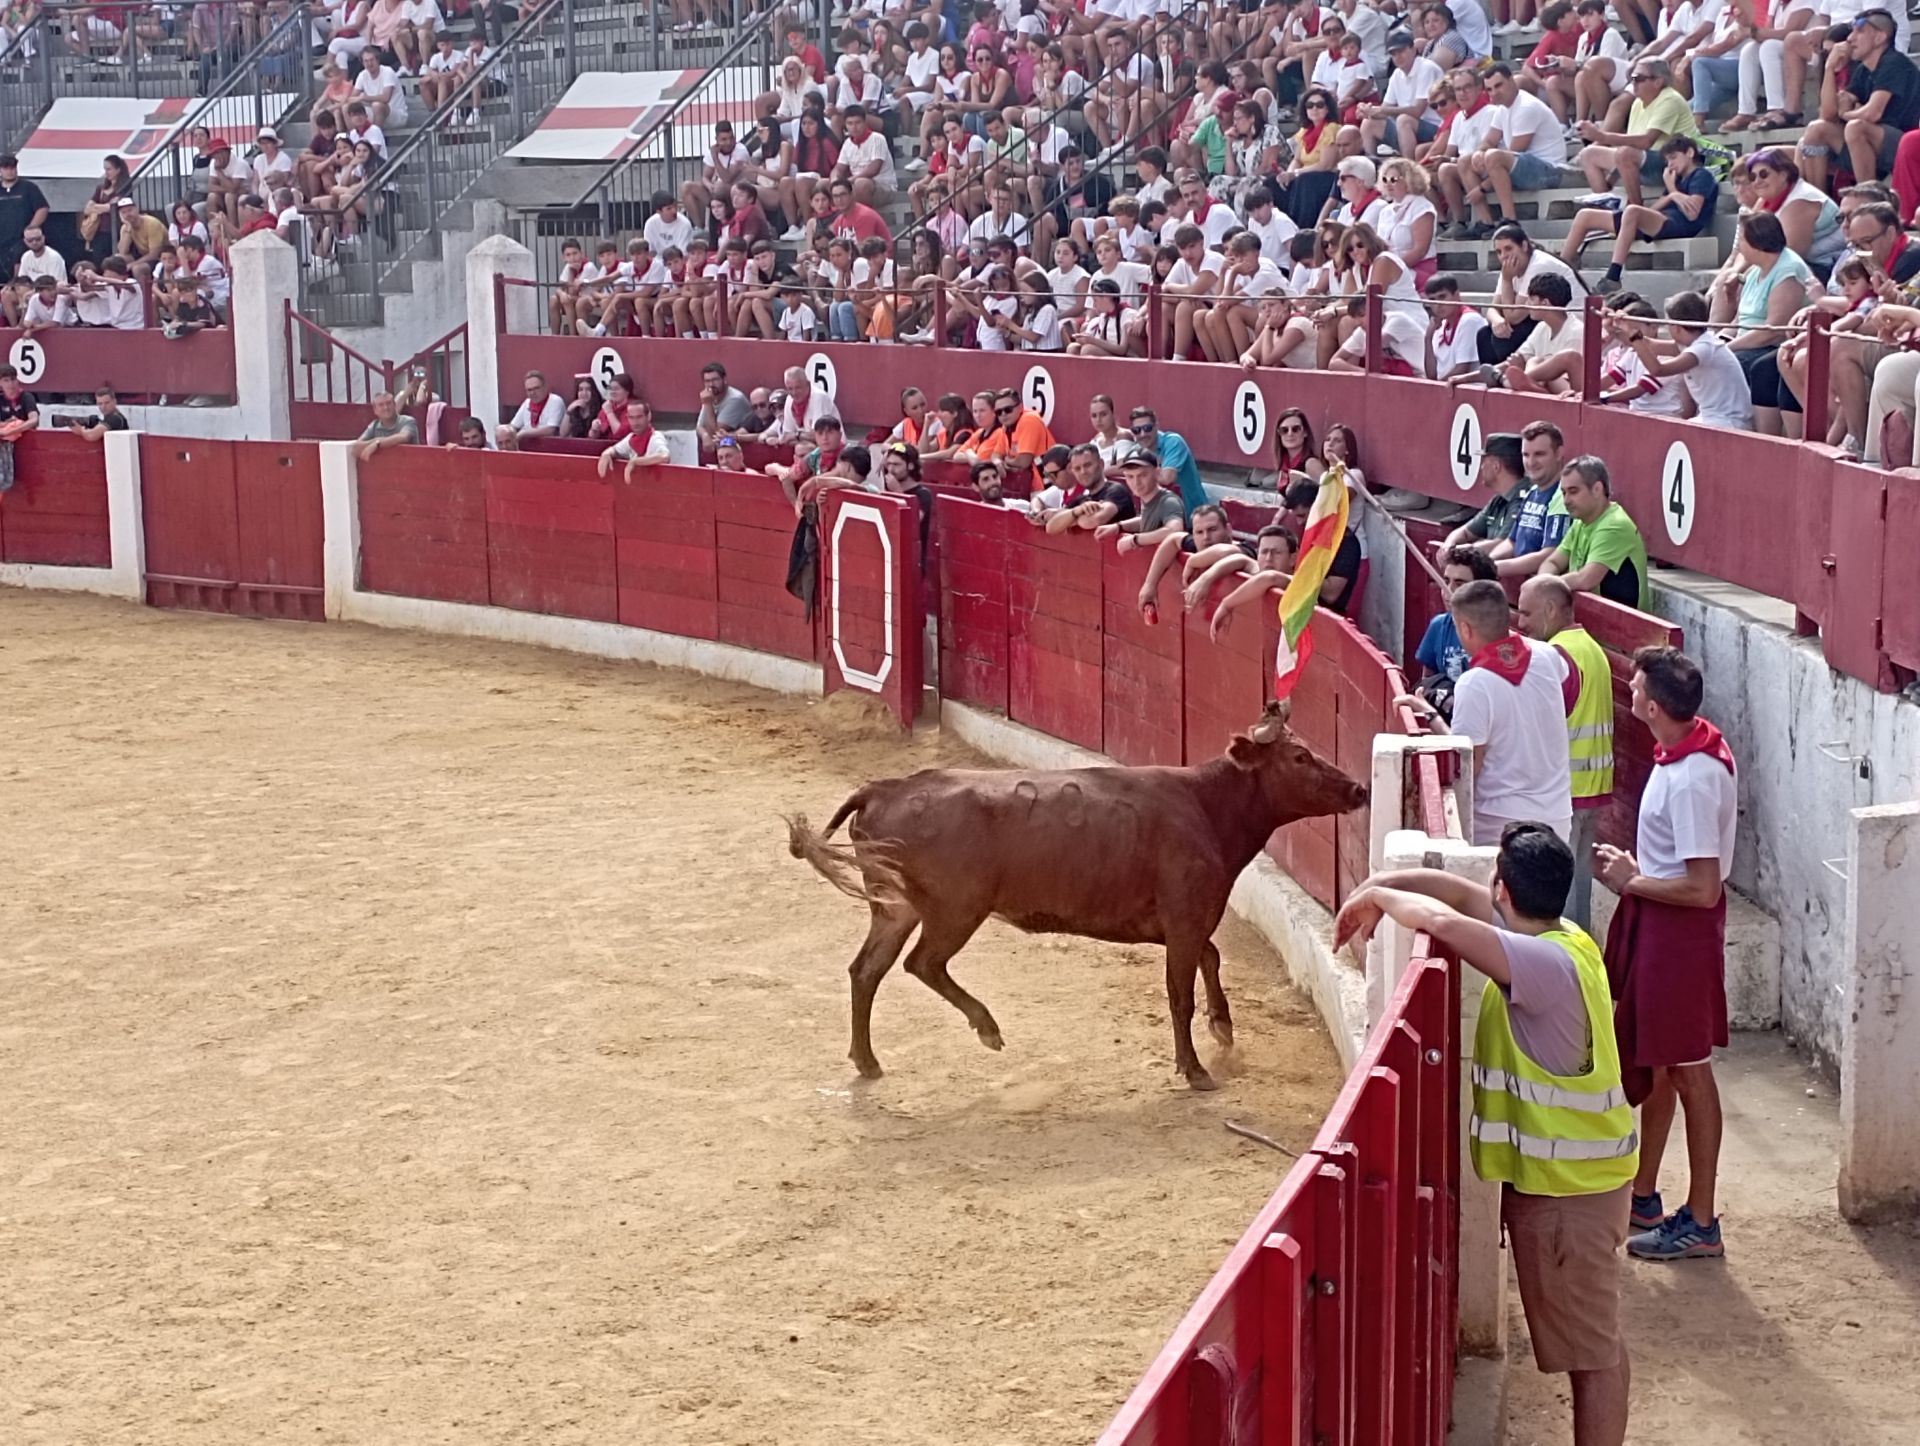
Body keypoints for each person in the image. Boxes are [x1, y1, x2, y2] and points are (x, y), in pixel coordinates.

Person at [1334, 824, 1635, 1446]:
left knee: (1593, 1353)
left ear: (1506, 888)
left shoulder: (1538, 961)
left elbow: (1443, 922)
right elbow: (1462, 899)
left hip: (1567, 1196)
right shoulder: (1565, 938)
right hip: (1572, 1186)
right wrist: (1383, 883)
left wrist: (1382, 897)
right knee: (1590, 1345)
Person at [1595, 646, 1735, 1263]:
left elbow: (1702, 889)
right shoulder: (1686, 752)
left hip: (1679, 931)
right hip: (1664, 925)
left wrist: (1632, 881)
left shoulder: (1693, 777)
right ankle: (1645, 1194)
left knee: (1687, 1067)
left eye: (1635, 684)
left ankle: (1702, 1221)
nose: (1628, 688)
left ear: (1652, 706)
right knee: (1658, 1062)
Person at [1398, 578, 1573, 846]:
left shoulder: (1475, 683)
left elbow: (1467, 764)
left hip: (1499, 824)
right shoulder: (1548, 656)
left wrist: (1431, 716)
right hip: (1557, 816)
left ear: (1466, 629)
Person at [1517, 574, 1614, 930]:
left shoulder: (1555, 657)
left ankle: (1569, 967)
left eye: (1527, 614)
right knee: (1580, 884)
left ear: (1550, 609)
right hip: (1593, 787)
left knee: (1561, 895)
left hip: (1565, 793)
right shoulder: (1591, 649)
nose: (1521, 623)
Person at [1540, 456, 1651, 610]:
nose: (1566, 500)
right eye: (1564, 493)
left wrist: (1543, 587)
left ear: (1597, 489)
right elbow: (1552, 562)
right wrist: (1543, 582)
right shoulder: (1581, 522)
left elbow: (1585, 579)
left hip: (1625, 630)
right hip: (1596, 621)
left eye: (1573, 492)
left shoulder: (1615, 525)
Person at [1414, 545, 1499, 719]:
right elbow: (1427, 684)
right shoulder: (1438, 625)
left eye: (1459, 584)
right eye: (1446, 581)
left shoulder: (1496, 631)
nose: (1448, 590)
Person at [1280, 477, 1364, 612]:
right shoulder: (1309, 533)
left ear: (1318, 508)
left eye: (1302, 515)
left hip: (1328, 618)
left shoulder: (1346, 543)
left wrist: (1296, 569)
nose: (1299, 522)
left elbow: (1331, 594)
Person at [1126, 405, 1208, 517]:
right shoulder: (1136, 449)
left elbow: (1167, 478)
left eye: (1147, 428)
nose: (1143, 434)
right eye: (1137, 430)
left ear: (1156, 426)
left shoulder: (1173, 442)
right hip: (1161, 516)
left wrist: (1142, 473)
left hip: (1193, 518)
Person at [0, 154, 49, 282]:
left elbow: (42, 208)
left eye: (12, 168)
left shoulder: (29, 187)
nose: (10, 171)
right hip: (3, 240)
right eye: (6, 168)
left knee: (20, 272)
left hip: (23, 240)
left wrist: (31, 229)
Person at [596, 399, 670, 478]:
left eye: (639, 417)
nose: (635, 422)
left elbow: (665, 456)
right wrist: (606, 454)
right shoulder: (631, 437)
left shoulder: (655, 437)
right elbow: (615, 449)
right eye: (631, 417)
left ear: (648, 416)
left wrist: (635, 461)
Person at [496, 369, 565, 450]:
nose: (532, 393)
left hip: (551, 450)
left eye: (536, 388)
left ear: (545, 387)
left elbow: (551, 430)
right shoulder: (527, 403)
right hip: (528, 449)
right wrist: (503, 432)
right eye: (529, 390)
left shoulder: (555, 401)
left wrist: (524, 433)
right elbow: (513, 426)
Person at [697, 361, 755, 443]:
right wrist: (704, 436)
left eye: (715, 380)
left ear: (724, 379)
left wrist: (708, 404)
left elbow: (716, 433)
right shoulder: (709, 396)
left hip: (740, 444)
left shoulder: (735, 399)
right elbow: (699, 426)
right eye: (707, 381)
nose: (711, 385)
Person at [356, 390, 418, 461]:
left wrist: (378, 443)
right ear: (375, 410)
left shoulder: (407, 421)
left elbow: (404, 436)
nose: (386, 408)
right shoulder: (374, 426)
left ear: (394, 405)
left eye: (389, 403)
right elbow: (356, 446)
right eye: (381, 405)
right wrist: (375, 442)